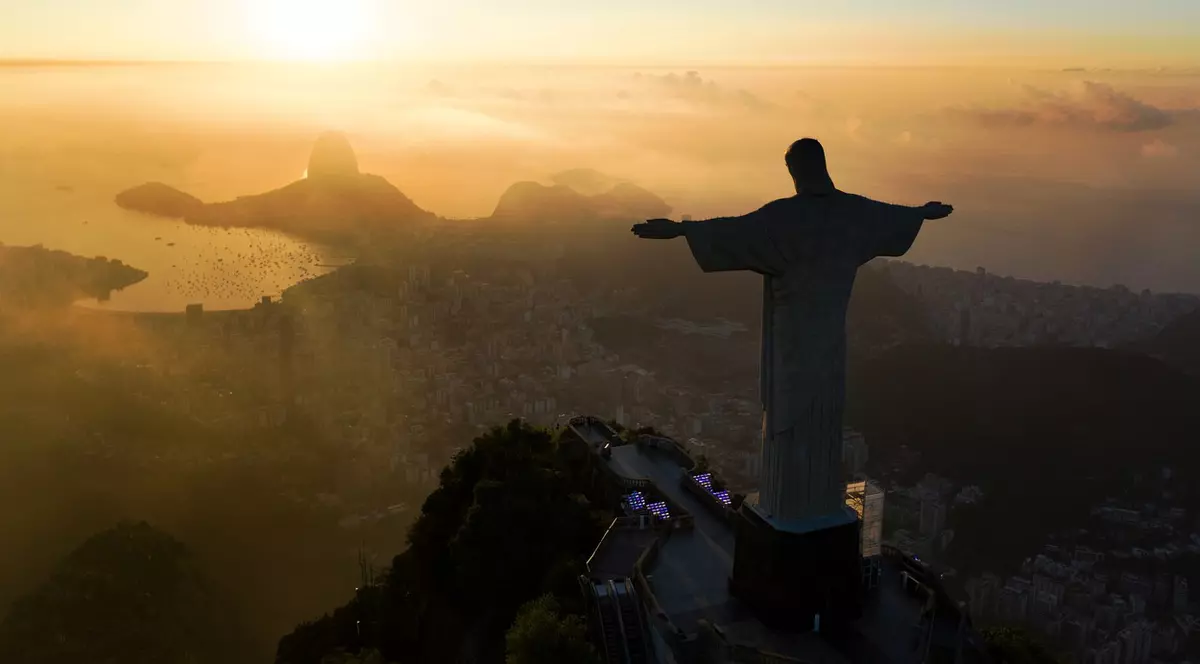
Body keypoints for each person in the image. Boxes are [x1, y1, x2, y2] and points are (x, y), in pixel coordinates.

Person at [630, 138, 953, 522]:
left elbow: (735, 231)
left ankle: (792, 509)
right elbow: (893, 217)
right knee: (821, 413)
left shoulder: (783, 218)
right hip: (831, 339)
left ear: (796, 170)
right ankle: (810, 508)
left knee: (791, 414)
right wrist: (922, 213)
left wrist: (682, 230)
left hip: (792, 340)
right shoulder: (854, 213)